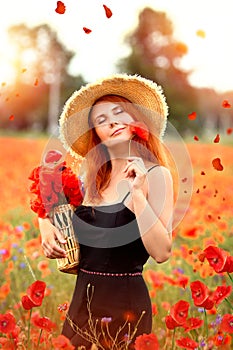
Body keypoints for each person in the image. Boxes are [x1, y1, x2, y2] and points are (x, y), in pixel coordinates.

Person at [38, 74, 174, 349]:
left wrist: (137, 196)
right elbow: (49, 202)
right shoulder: (90, 181)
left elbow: (161, 252)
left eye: (118, 112)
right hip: (81, 306)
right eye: (100, 120)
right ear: (95, 135)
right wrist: (44, 225)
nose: (111, 122)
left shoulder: (156, 175)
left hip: (125, 309)